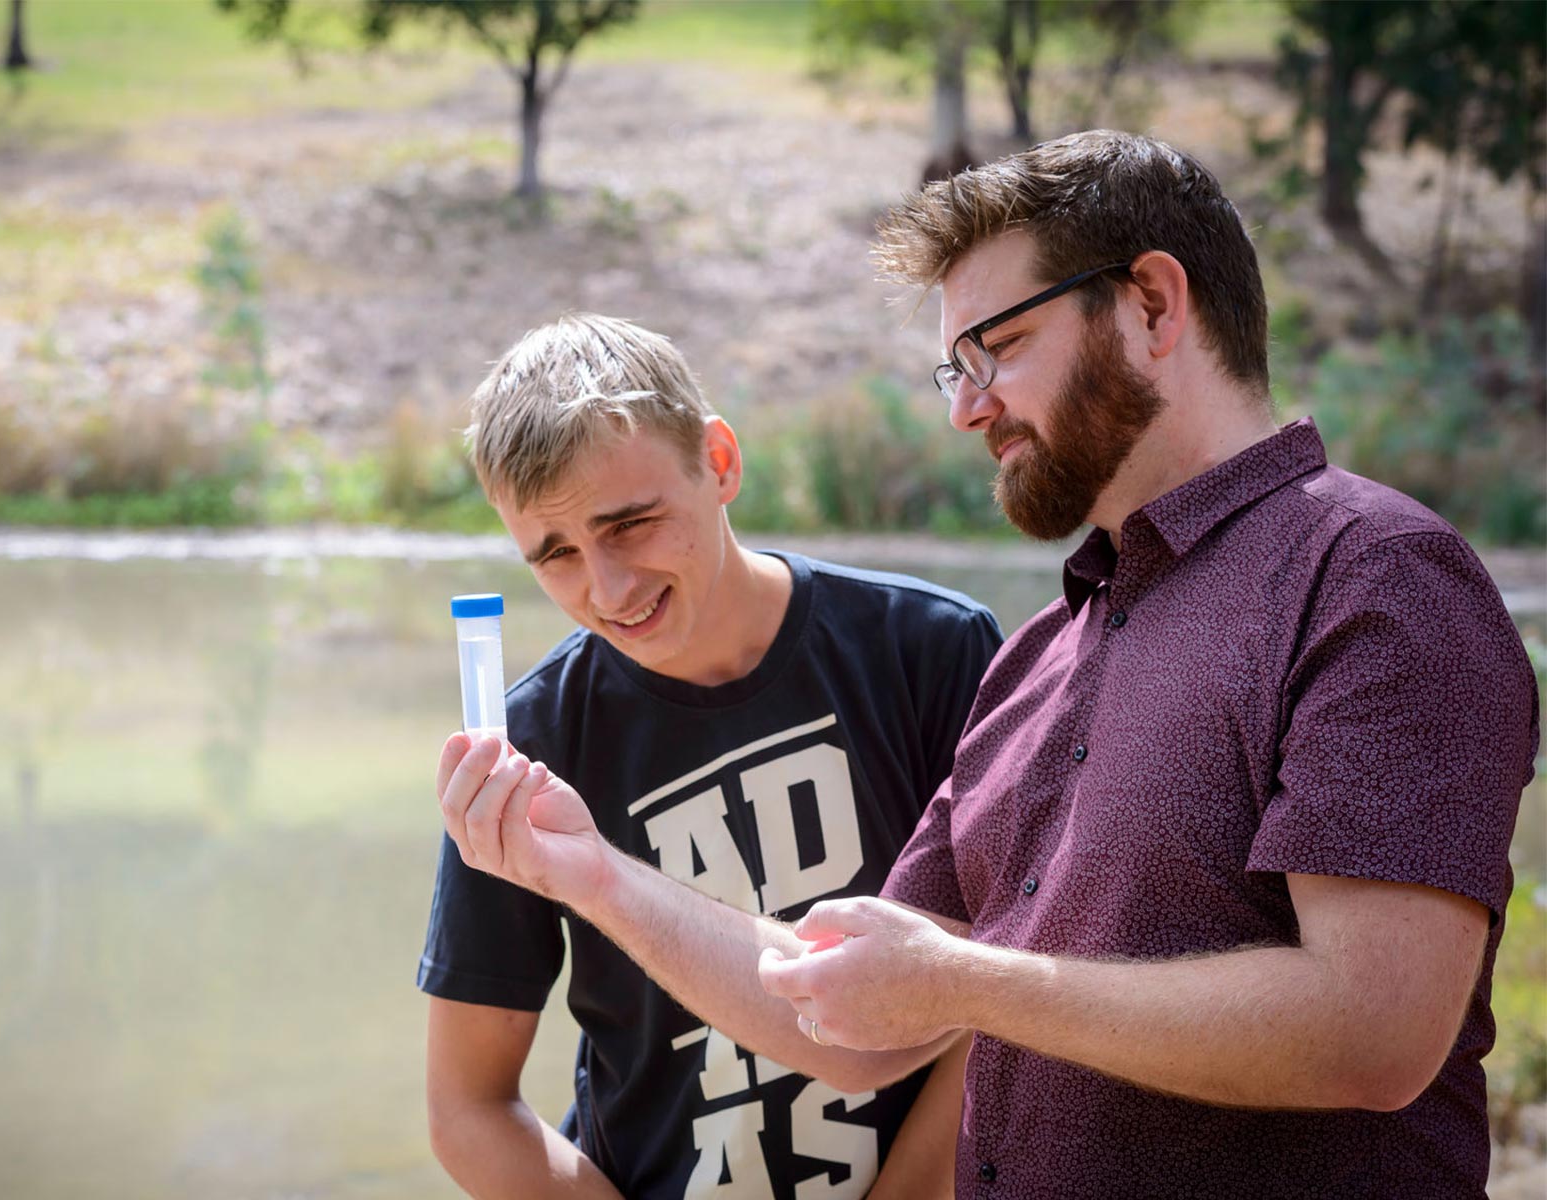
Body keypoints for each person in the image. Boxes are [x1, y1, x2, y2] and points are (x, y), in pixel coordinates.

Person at [440, 132, 1540, 1198]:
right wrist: (588, 873)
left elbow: (1374, 1032)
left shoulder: (1372, 575)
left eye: (998, 348)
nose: (968, 406)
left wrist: (966, 982)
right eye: (953, 368)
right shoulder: (1034, 661)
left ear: (1153, 305)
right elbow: (855, 1025)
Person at [420, 313, 1003, 1199]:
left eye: (630, 524)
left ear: (719, 463)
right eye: (556, 555)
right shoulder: (527, 746)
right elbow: (469, 1108)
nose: (607, 590)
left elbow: (1000, 1000)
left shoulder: (930, 650)